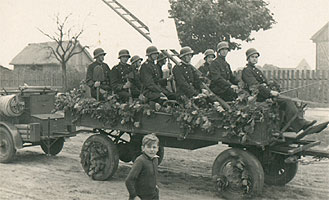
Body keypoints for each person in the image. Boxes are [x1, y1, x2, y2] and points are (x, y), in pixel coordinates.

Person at [241, 48, 316, 133]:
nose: (255, 59)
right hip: (257, 98)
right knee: (287, 101)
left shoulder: (256, 70)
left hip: (265, 96)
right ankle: (301, 124)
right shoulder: (247, 71)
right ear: (248, 58)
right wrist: (270, 92)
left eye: (256, 57)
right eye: (252, 57)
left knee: (292, 101)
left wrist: (273, 89)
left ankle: (290, 125)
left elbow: (265, 83)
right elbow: (255, 86)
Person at [125, 133, 160, 200]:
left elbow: (152, 176)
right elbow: (129, 180)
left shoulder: (155, 160)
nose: (152, 150)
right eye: (149, 147)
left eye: (154, 147)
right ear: (143, 148)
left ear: (158, 148)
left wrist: (155, 187)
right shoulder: (140, 161)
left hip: (152, 195)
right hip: (140, 197)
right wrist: (134, 196)